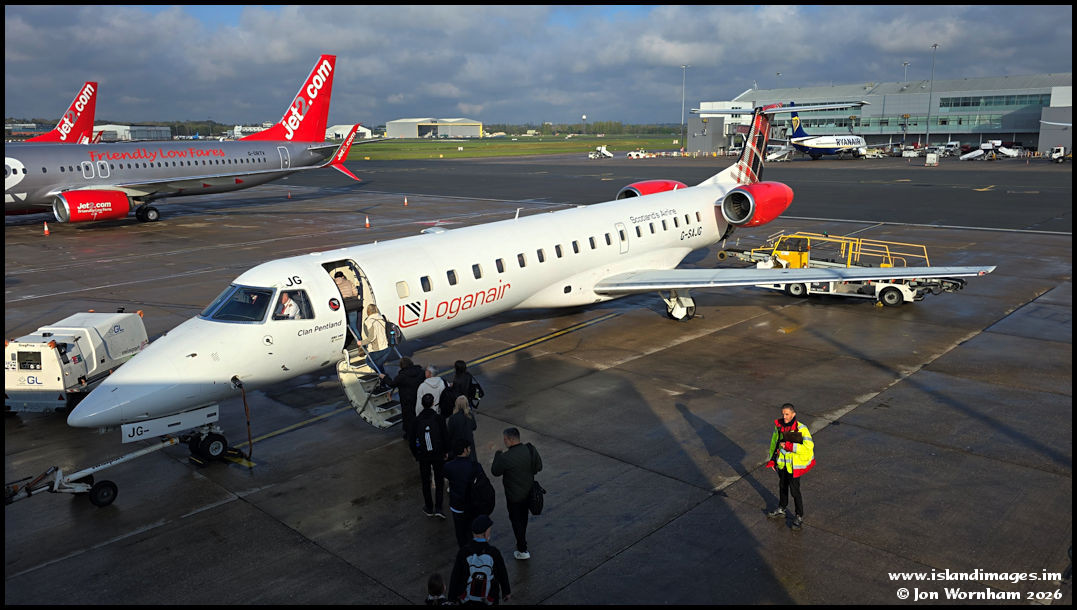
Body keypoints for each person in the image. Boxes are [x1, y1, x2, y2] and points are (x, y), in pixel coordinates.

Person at [490, 427, 542, 560]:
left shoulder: (505, 457)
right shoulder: (530, 449)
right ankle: (522, 540)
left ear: (510, 440)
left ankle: (522, 549)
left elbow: (495, 471)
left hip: (513, 496)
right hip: (528, 492)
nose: (504, 442)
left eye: (505, 439)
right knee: (523, 518)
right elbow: (538, 467)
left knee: (516, 520)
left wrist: (497, 453)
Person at [765, 403, 815, 530]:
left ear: (793, 414)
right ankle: (782, 508)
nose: (784, 417)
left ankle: (799, 515)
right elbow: (774, 442)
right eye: (783, 414)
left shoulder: (801, 429)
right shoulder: (779, 427)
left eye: (787, 414)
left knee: (795, 491)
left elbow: (808, 447)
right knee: (782, 486)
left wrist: (790, 446)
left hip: (794, 466)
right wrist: (772, 460)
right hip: (782, 465)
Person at [448, 515, 511, 605]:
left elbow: (456, 575)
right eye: (489, 530)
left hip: (467, 600)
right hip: (489, 598)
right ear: (486, 533)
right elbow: (502, 573)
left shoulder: (463, 552)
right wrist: (506, 591)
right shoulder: (494, 552)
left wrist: (451, 597)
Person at [411, 393, 448, 519]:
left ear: (422, 404)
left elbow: (412, 440)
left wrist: (416, 454)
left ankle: (428, 506)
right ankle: (439, 507)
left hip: (423, 455)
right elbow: (445, 436)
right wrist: (445, 451)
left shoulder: (417, 421)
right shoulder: (439, 418)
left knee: (425, 481)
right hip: (437, 454)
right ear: (433, 403)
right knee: (439, 480)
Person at [444, 438, 481, 547]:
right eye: (469, 448)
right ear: (465, 450)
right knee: (473, 531)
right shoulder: (474, 466)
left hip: (457, 506)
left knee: (460, 532)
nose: (470, 450)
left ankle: (464, 550)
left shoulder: (448, 467)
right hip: (471, 505)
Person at [380, 357, 425, 438]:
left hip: (407, 400)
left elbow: (392, 384)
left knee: (408, 418)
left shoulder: (402, 376)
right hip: (419, 397)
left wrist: (385, 377)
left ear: (401, 366)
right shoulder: (420, 371)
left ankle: (410, 434)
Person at [361, 303, 390, 374]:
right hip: (388, 347)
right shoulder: (382, 318)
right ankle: (383, 377)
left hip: (378, 349)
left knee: (369, 361)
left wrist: (361, 343)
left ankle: (383, 376)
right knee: (379, 364)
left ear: (368, 311)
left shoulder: (369, 321)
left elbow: (371, 338)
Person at [447, 395, 477, 462]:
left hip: (458, 446)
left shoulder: (452, 418)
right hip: (469, 444)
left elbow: (449, 433)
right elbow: (474, 427)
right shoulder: (470, 415)